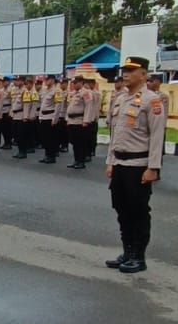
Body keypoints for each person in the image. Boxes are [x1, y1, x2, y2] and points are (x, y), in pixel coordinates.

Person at [105, 56, 166, 274]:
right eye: (125, 70)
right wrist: (110, 161)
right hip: (120, 163)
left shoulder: (152, 101)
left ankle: (138, 256)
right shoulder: (121, 98)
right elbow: (115, 134)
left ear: (144, 74)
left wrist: (153, 168)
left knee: (138, 211)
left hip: (139, 165)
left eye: (132, 70)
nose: (126, 74)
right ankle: (127, 251)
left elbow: (157, 136)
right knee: (121, 209)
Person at [65, 76, 93, 169]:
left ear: (81, 82)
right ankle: (76, 160)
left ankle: (81, 161)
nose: (74, 84)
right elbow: (69, 107)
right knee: (74, 143)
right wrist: (68, 119)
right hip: (72, 121)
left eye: (76, 82)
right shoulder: (73, 93)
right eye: (74, 82)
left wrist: (86, 121)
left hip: (80, 121)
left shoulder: (85, 93)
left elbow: (88, 106)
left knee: (80, 143)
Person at [38, 76, 62, 163]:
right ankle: (47, 155)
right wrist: (40, 116)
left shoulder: (57, 91)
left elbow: (58, 106)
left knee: (51, 138)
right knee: (45, 138)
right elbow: (42, 105)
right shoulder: (44, 91)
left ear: (52, 80)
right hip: (44, 116)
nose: (46, 81)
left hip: (50, 117)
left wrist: (54, 119)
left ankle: (52, 156)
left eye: (47, 80)